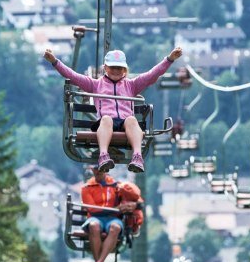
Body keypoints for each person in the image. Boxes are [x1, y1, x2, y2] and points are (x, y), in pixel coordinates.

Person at [44, 46, 183, 173]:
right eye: (112, 67)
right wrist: (55, 62)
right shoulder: (96, 85)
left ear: (125, 70)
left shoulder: (131, 85)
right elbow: (73, 76)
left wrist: (169, 59)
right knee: (106, 119)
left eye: (119, 68)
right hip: (106, 123)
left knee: (131, 119)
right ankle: (103, 155)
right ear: (105, 68)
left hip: (125, 124)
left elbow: (152, 75)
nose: (116, 71)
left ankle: (137, 156)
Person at [81, 166, 143, 262]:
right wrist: (116, 208)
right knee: (94, 226)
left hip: (112, 219)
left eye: (100, 169)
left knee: (116, 227)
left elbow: (137, 201)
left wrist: (132, 205)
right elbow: (93, 210)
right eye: (96, 169)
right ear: (93, 171)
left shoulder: (117, 186)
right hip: (95, 218)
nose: (98, 171)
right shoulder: (87, 188)